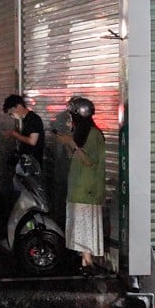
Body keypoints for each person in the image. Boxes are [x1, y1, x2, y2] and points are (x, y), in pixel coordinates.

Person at [54, 96, 106, 272]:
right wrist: (68, 142)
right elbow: (75, 156)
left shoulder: (93, 134)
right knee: (79, 223)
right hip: (78, 187)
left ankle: (88, 261)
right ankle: (85, 260)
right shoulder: (81, 131)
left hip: (87, 189)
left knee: (85, 223)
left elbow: (89, 160)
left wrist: (71, 143)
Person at [1, 93, 45, 166]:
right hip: (28, 163)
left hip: (32, 165)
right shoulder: (27, 119)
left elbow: (32, 141)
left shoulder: (33, 119)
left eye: (11, 113)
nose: (12, 116)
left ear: (19, 107)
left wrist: (14, 134)